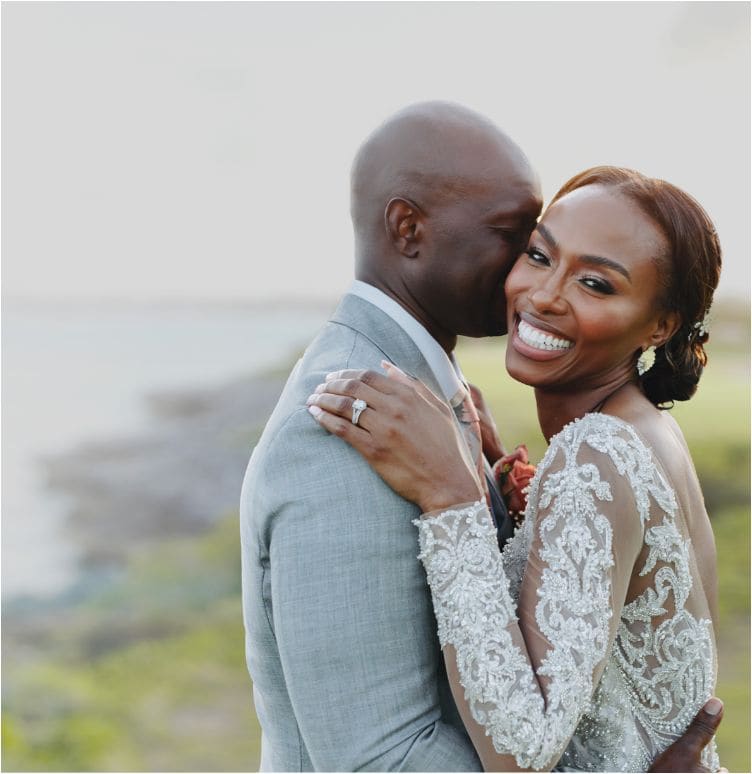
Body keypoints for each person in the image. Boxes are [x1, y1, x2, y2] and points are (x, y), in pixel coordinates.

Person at [240, 102, 723, 771]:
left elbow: (524, 747)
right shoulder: (340, 424)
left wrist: (458, 500)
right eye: (532, 249)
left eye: (595, 282)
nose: (542, 292)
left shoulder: (598, 452)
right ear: (407, 228)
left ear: (658, 326)